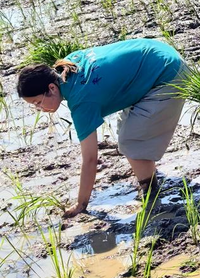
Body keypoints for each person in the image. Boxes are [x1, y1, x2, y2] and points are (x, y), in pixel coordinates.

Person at [16, 39, 187, 218]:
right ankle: (147, 171)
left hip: (169, 75)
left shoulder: (81, 99)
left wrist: (81, 204)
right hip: (160, 53)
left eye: (38, 102)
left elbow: (90, 160)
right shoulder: (67, 66)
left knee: (131, 142)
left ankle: (151, 193)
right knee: (125, 129)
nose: (40, 109)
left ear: (51, 88)